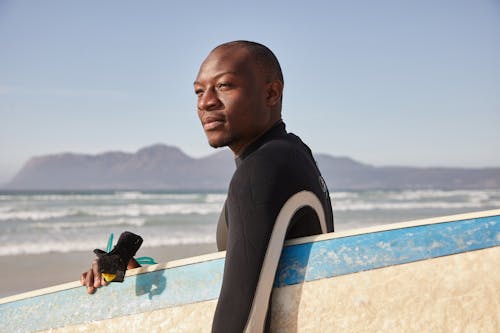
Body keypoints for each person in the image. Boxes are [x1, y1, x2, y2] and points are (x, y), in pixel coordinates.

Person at [81, 40, 334, 332]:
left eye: (224, 86)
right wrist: (141, 276)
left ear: (271, 93)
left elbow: (244, 317)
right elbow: (267, 282)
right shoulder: (292, 153)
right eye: (199, 91)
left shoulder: (261, 171)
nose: (205, 102)